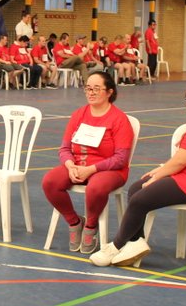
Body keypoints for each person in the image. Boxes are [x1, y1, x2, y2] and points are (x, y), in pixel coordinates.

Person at [91, 82, 186, 267]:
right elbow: (183, 160)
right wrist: (159, 171)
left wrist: (158, 176)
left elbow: (180, 161)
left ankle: (116, 245)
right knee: (136, 188)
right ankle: (136, 242)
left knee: (139, 199)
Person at [43, 71, 135, 255]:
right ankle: (75, 222)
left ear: (109, 92)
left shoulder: (119, 119)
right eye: (88, 88)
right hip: (77, 166)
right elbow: (64, 148)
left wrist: (91, 169)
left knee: (96, 187)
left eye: (96, 89)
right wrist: (70, 165)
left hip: (109, 169)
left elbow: (120, 158)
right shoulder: (78, 115)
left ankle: (91, 226)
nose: (91, 92)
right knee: (50, 182)